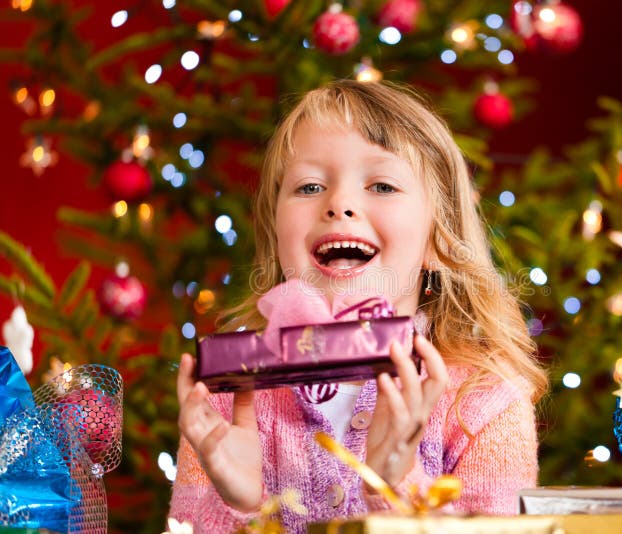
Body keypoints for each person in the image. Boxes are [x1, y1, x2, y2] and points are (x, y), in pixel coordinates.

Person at [169, 79, 548, 533]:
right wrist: (241, 505)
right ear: (276, 235)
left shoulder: (485, 400)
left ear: (438, 238)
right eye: (309, 187)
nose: (340, 204)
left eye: (383, 185)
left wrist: (397, 483)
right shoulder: (229, 398)